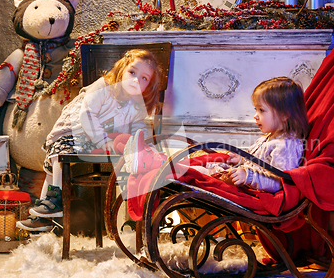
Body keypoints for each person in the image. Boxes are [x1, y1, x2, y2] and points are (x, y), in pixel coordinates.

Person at [16, 49, 162, 231]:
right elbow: (87, 114)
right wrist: (102, 141)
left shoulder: (138, 104)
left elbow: (141, 128)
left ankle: (136, 211)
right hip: (75, 129)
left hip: (103, 137)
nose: (136, 80)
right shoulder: (104, 86)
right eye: (132, 72)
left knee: (131, 156)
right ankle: (52, 202)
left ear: (149, 86)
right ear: (123, 69)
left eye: (144, 79)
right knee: (59, 157)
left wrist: (144, 146)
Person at [128, 76, 309, 193]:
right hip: (230, 177)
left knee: (192, 172)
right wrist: (239, 159)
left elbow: (282, 183)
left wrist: (249, 177)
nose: (255, 115)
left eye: (261, 110)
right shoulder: (268, 138)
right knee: (194, 167)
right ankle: (150, 161)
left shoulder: (286, 145)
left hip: (242, 188)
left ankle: (149, 162)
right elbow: (255, 161)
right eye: (256, 109)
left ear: (285, 114)